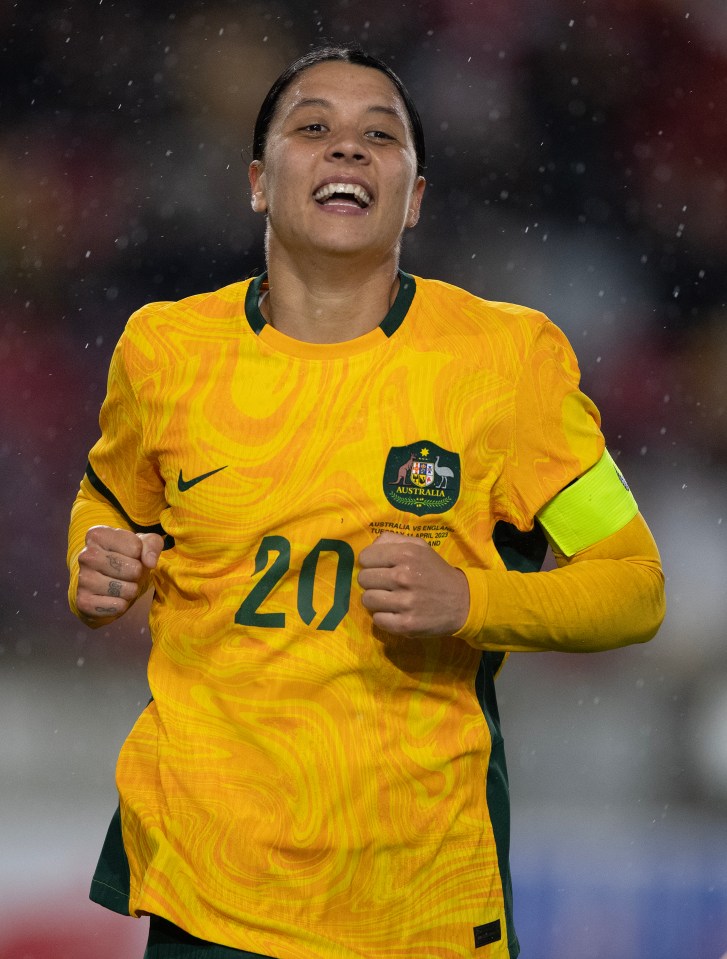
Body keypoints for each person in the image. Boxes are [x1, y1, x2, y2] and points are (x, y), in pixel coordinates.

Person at [67, 45, 666, 959]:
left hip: (414, 900)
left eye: (379, 137)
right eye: (314, 128)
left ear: (414, 198)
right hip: (209, 886)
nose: (347, 149)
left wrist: (472, 600)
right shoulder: (164, 350)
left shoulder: (507, 362)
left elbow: (635, 586)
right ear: (259, 184)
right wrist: (98, 558)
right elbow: (109, 499)